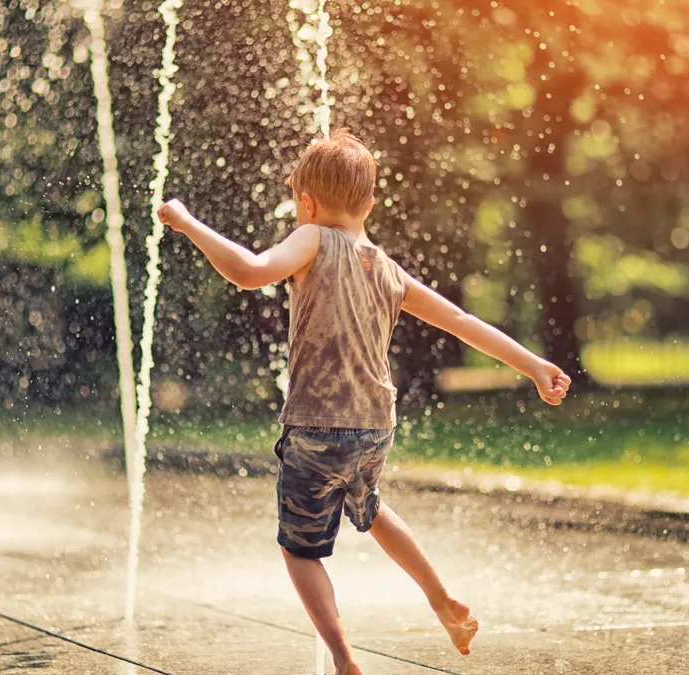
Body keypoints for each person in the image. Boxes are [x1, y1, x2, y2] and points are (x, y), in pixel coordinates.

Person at [157, 129, 571, 675]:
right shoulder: (386, 268)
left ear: (306, 203)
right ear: (370, 203)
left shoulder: (310, 239)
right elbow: (463, 323)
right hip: (375, 426)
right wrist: (535, 367)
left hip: (317, 427)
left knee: (300, 548)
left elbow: (249, 272)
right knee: (369, 506)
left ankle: (344, 658)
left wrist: (186, 222)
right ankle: (441, 597)